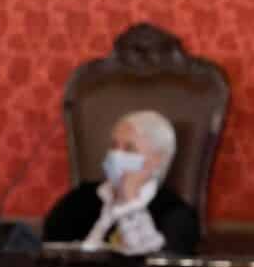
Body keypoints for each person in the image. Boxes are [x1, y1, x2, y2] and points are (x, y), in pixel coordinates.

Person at [42, 109, 199, 256]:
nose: (116, 155)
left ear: (157, 160)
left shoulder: (176, 214)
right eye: (113, 146)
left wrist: (128, 200)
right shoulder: (80, 198)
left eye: (129, 149)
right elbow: (49, 252)